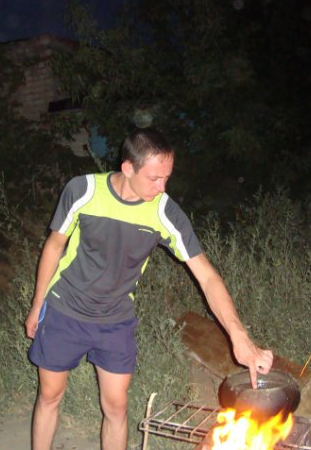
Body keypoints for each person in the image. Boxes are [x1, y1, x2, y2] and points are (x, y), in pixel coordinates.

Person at [24, 128, 273, 450]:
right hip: (65, 309)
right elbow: (54, 245)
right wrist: (37, 305)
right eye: (154, 178)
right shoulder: (83, 190)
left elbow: (208, 277)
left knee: (116, 408)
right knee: (49, 395)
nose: (162, 187)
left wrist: (240, 337)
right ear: (128, 168)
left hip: (115, 319)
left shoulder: (164, 212)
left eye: (167, 178)